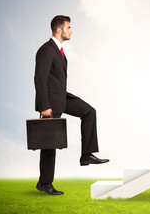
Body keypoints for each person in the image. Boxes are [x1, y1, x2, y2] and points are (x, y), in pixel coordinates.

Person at [34, 15, 109, 195]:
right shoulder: (46, 50)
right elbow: (39, 79)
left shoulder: (59, 50)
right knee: (49, 145)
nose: (71, 30)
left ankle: (86, 155)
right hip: (50, 103)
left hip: (61, 97)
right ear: (59, 30)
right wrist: (44, 106)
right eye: (68, 27)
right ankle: (44, 183)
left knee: (89, 112)